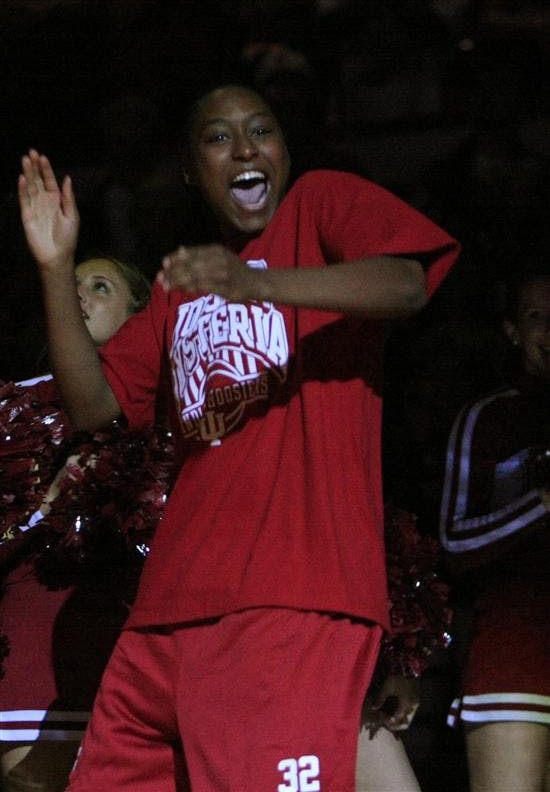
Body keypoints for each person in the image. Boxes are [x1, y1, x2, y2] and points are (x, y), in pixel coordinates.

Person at [18, 84, 459, 791]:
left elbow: (406, 284)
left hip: (293, 597)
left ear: (284, 151)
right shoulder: (179, 287)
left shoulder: (319, 204)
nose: (246, 147)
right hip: (168, 609)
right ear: (193, 169)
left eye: (262, 131)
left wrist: (258, 286)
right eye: (220, 137)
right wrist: (53, 269)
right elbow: (95, 410)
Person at [0, 256, 173, 792]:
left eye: (100, 287)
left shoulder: (177, 401)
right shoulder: (13, 404)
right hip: (39, 624)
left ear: (140, 316)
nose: (79, 295)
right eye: (69, 285)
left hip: (143, 632)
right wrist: (46, 502)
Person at [440, 266, 550, 792]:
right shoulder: (486, 418)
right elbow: (452, 541)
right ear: (512, 330)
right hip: (513, 653)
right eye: (536, 316)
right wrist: (541, 503)